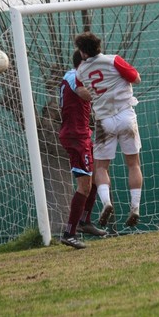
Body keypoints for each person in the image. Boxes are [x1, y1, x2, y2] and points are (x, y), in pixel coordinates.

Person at [74, 32, 143, 227]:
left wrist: (98, 95)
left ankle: (106, 203)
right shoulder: (114, 60)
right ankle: (135, 207)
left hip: (104, 121)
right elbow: (137, 78)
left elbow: (82, 93)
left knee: (101, 167)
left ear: (82, 51)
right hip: (126, 115)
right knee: (133, 164)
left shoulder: (80, 71)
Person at [58, 50, 109, 249]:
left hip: (82, 134)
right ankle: (69, 233)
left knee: (98, 173)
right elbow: (84, 93)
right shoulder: (73, 76)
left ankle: (85, 222)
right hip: (75, 136)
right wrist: (104, 91)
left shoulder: (77, 77)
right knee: (84, 185)